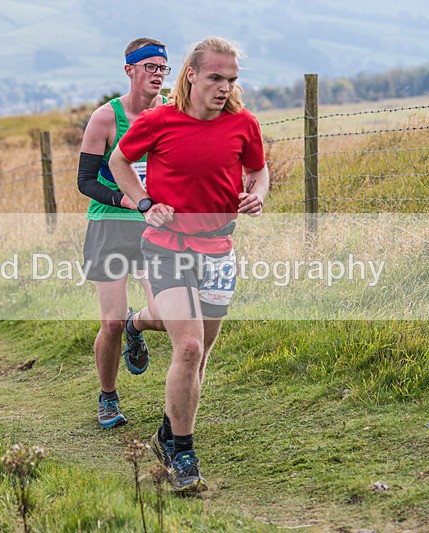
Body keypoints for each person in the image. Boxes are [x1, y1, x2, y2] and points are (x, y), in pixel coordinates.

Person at [109, 36, 269, 493]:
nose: (224, 87)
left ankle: (167, 427)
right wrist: (144, 203)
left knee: (199, 357)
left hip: (218, 249)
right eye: (216, 77)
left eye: (231, 79)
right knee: (190, 348)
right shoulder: (158, 120)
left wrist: (256, 195)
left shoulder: (243, 123)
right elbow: (119, 160)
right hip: (167, 247)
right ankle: (183, 452)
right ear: (192, 74)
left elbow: (258, 171)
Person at [77, 38, 169, 429]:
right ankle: (108, 397)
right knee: (110, 322)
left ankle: (137, 326)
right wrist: (127, 200)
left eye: (162, 68)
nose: (157, 74)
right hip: (110, 225)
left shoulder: (172, 113)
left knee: (165, 315)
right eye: (149, 67)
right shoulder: (106, 118)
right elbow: (85, 181)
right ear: (129, 70)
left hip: (156, 228)